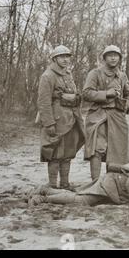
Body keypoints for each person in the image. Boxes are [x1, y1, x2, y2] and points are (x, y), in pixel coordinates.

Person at [28, 142, 129, 213]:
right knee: (82, 201)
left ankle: (46, 190)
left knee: (80, 196)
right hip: (112, 185)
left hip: (122, 197)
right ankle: (44, 196)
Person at [82, 45, 129, 181]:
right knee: (97, 149)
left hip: (117, 116)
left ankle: (112, 183)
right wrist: (106, 94)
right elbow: (86, 93)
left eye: (116, 55)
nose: (113, 57)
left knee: (117, 150)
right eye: (109, 55)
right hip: (98, 115)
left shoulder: (122, 76)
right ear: (104, 58)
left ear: (119, 58)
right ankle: (95, 183)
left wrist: (126, 104)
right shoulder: (95, 73)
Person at [37, 45, 85, 189]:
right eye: (62, 56)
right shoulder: (48, 75)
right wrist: (49, 123)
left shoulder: (67, 74)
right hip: (56, 120)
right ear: (54, 58)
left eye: (67, 56)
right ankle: (52, 185)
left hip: (70, 119)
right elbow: (43, 102)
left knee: (68, 152)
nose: (65, 59)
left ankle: (64, 183)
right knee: (54, 152)